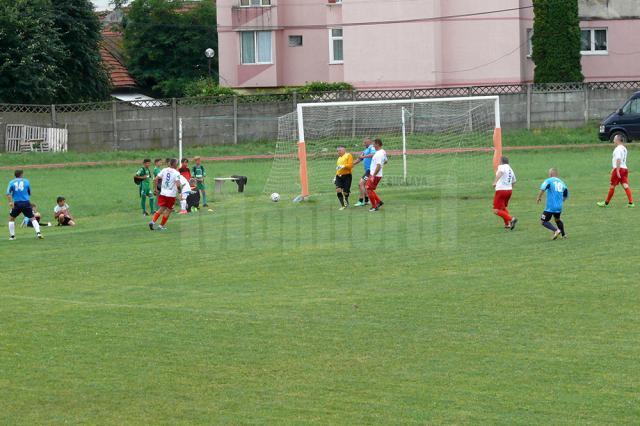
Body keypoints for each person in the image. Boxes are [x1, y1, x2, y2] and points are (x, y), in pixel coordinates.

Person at [597, 134, 634, 207]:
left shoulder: (617, 149)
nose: (613, 140)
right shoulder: (624, 148)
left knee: (612, 186)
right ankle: (631, 203)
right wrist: (614, 168)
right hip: (624, 169)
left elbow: (618, 159)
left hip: (619, 169)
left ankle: (606, 203)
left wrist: (616, 170)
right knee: (625, 185)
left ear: (618, 140)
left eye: (614, 139)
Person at [6, 169, 43, 240]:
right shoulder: (26, 181)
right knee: (32, 218)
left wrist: (10, 202)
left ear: (15, 175)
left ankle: (12, 236)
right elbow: (29, 192)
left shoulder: (11, 182)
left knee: (11, 219)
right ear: (21, 175)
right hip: (26, 202)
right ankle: (38, 233)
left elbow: (8, 193)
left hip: (17, 203)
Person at [536, 168, 568, 240]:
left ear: (550, 174)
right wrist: (562, 200)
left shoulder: (549, 180)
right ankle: (564, 235)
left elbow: (542, 189)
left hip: (550, 206)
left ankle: (556, 230)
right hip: (559, 206)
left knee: (543, 221)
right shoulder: (562, 182)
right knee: (557, 219)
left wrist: (538, 197)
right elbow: (566, 193)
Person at [149, 158, 180, 231]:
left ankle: (152, 221)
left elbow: (156, 179)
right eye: (177, 163)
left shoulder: (164, 170)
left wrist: (155, 189)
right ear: (175, 164)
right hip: (171, 195)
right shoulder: (176, 173)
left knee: (161, 208)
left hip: (163, 193)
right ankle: (160, 226)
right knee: (169, 210)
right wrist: (180, 192)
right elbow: (178, 184)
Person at [492, 156, 518, 230]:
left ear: (501, 161)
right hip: (509, 191)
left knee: (496, 210)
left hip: (501, 190)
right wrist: (509, 187)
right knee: (503, 208)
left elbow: (500, 173)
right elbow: (514, 181)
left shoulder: (501, 167)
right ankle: (507, 224)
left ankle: (512, 219)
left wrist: (495, 182)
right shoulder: (510, 169)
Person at [352, 138, 376, 206]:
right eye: (363, 142)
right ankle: (366, 200)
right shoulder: (365, 150)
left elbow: (373, 154)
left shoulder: (372, 148)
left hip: (370, 170)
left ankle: (361, 201)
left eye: (365, 143)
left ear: (369, 142)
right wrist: (350, 164)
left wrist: (364, 156)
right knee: (364, 185)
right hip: (367, 170)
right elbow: (359, 159)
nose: (363, 144)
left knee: (360, 184)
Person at [367, 139, 387, 212]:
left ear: (378, 144)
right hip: (377, 174)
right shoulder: (383, 151)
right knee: (370, 189)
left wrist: (373, 175)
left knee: (368, 189)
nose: (373, 146)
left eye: (374, 144)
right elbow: (386, 161)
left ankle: (374, 207)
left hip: (375, 175)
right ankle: (379, 202)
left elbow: (378, 166)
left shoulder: (378, 154)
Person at [335, 146, 353, 210]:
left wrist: (344, 166)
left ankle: (346, 199)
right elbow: (338, 169)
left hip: (347, 176)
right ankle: (343, 205)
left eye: (339, 150)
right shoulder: (339, 159)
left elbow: (351, 165)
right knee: (338, 190)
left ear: (344, 150)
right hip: (339, 176)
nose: (338, 152)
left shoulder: (348, 155)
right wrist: (335, 176)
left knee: (345, 192)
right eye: (337, 151)